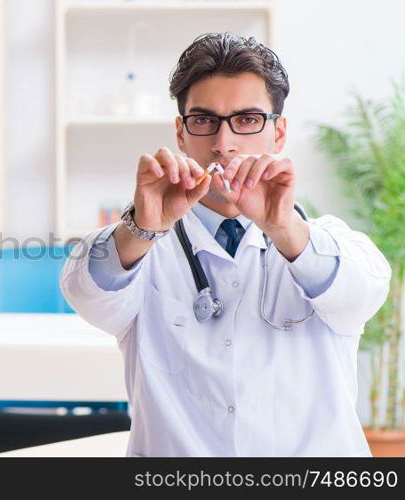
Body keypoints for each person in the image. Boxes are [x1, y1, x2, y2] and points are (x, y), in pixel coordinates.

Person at [60, 33, 391, 456]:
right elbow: (85, 291)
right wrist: (143, 227)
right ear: (181, 134)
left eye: (248, 119)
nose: (223, 143)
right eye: (204, 120)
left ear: (279, 132)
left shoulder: (330, 243)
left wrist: (284, 228)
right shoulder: (143, 244)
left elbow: (361, 294)